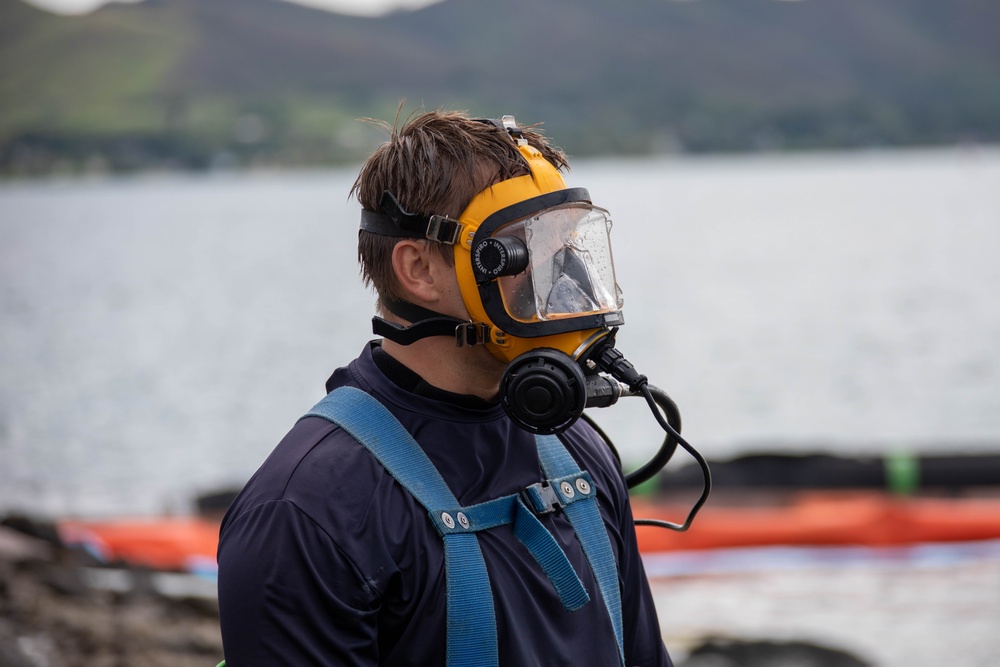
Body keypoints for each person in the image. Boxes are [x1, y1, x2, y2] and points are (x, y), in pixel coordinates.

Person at [217, 110, 672, 666]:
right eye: (525, 248)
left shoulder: (579, 451)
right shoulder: (306, 510)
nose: (563, 281)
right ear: (420, 270)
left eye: (565, 245)